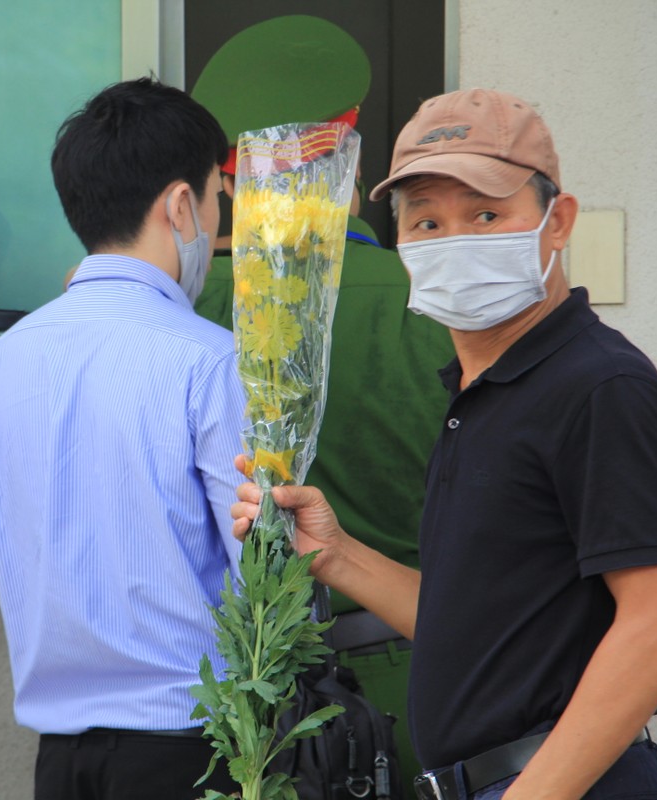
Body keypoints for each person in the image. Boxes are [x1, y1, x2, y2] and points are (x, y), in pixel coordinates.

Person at [230, 88, 657, 800]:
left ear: (556, 221)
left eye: (486, 214)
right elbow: (473, 626)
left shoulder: (599, 387)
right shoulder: (479, 394)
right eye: (427, 221)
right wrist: (334, 555)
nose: (455, 241)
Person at [189, 17, 455, 788]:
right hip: (437, 673)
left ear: (229, 174)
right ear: (352, 145)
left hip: (261, 706)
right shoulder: (443, 301)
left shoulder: (193, 311)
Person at [0, 77, 245, 800]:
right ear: (181, 204)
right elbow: (262, 572)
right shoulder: (209, 357)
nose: (218, 225)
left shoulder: (3, 359)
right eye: (218, 198)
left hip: (59, 756)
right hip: (191, 747)